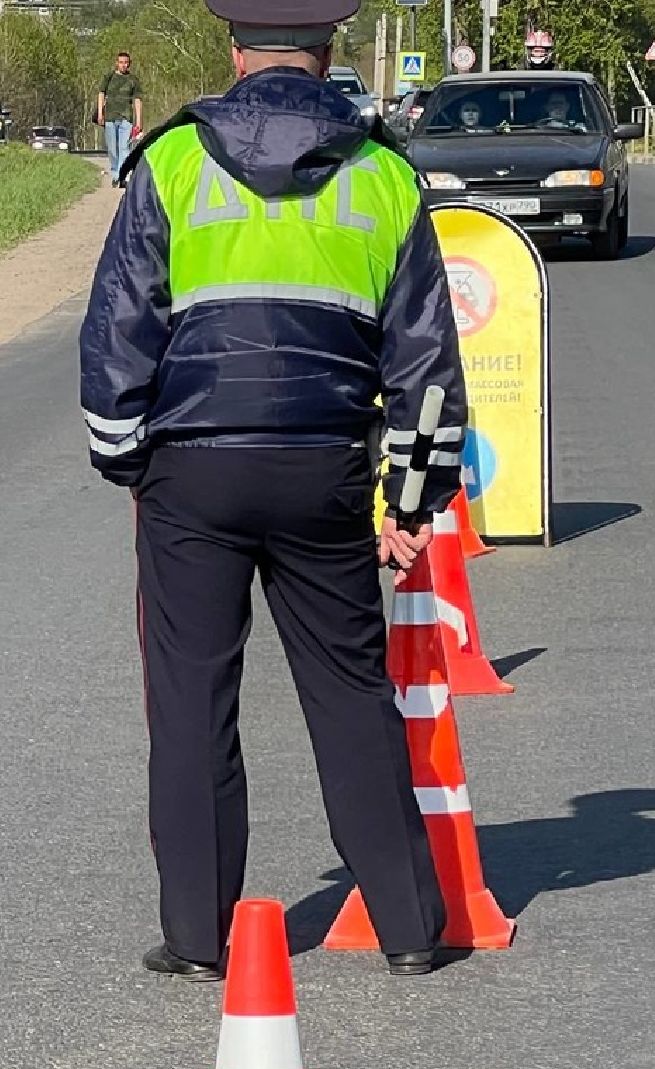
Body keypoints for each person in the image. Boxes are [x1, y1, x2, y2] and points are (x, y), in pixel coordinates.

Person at [78, 0, 466, 981]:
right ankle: (413, 925)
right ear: (331, 52)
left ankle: (203, 938)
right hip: (325, 464)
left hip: (191, 472)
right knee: (349, 693)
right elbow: (427, 361)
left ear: (234, 49)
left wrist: (129, 459)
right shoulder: (384, 175)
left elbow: (118, 333)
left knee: (192, 695)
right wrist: (411, 506)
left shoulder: (170, 163)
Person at [97, 52, 143, 187]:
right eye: (121, 62)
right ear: (117, 63)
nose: (124, 65)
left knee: (124, 148)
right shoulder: (109, 77)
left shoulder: (133, 80)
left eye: (126, 62)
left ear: (129, 64)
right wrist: (100, 113)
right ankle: (115, 173)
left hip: (126, 118)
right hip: (110, 117)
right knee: (112, 149)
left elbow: (137, 100)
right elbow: (101, 94)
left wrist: (139, 120)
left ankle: (122, 176)